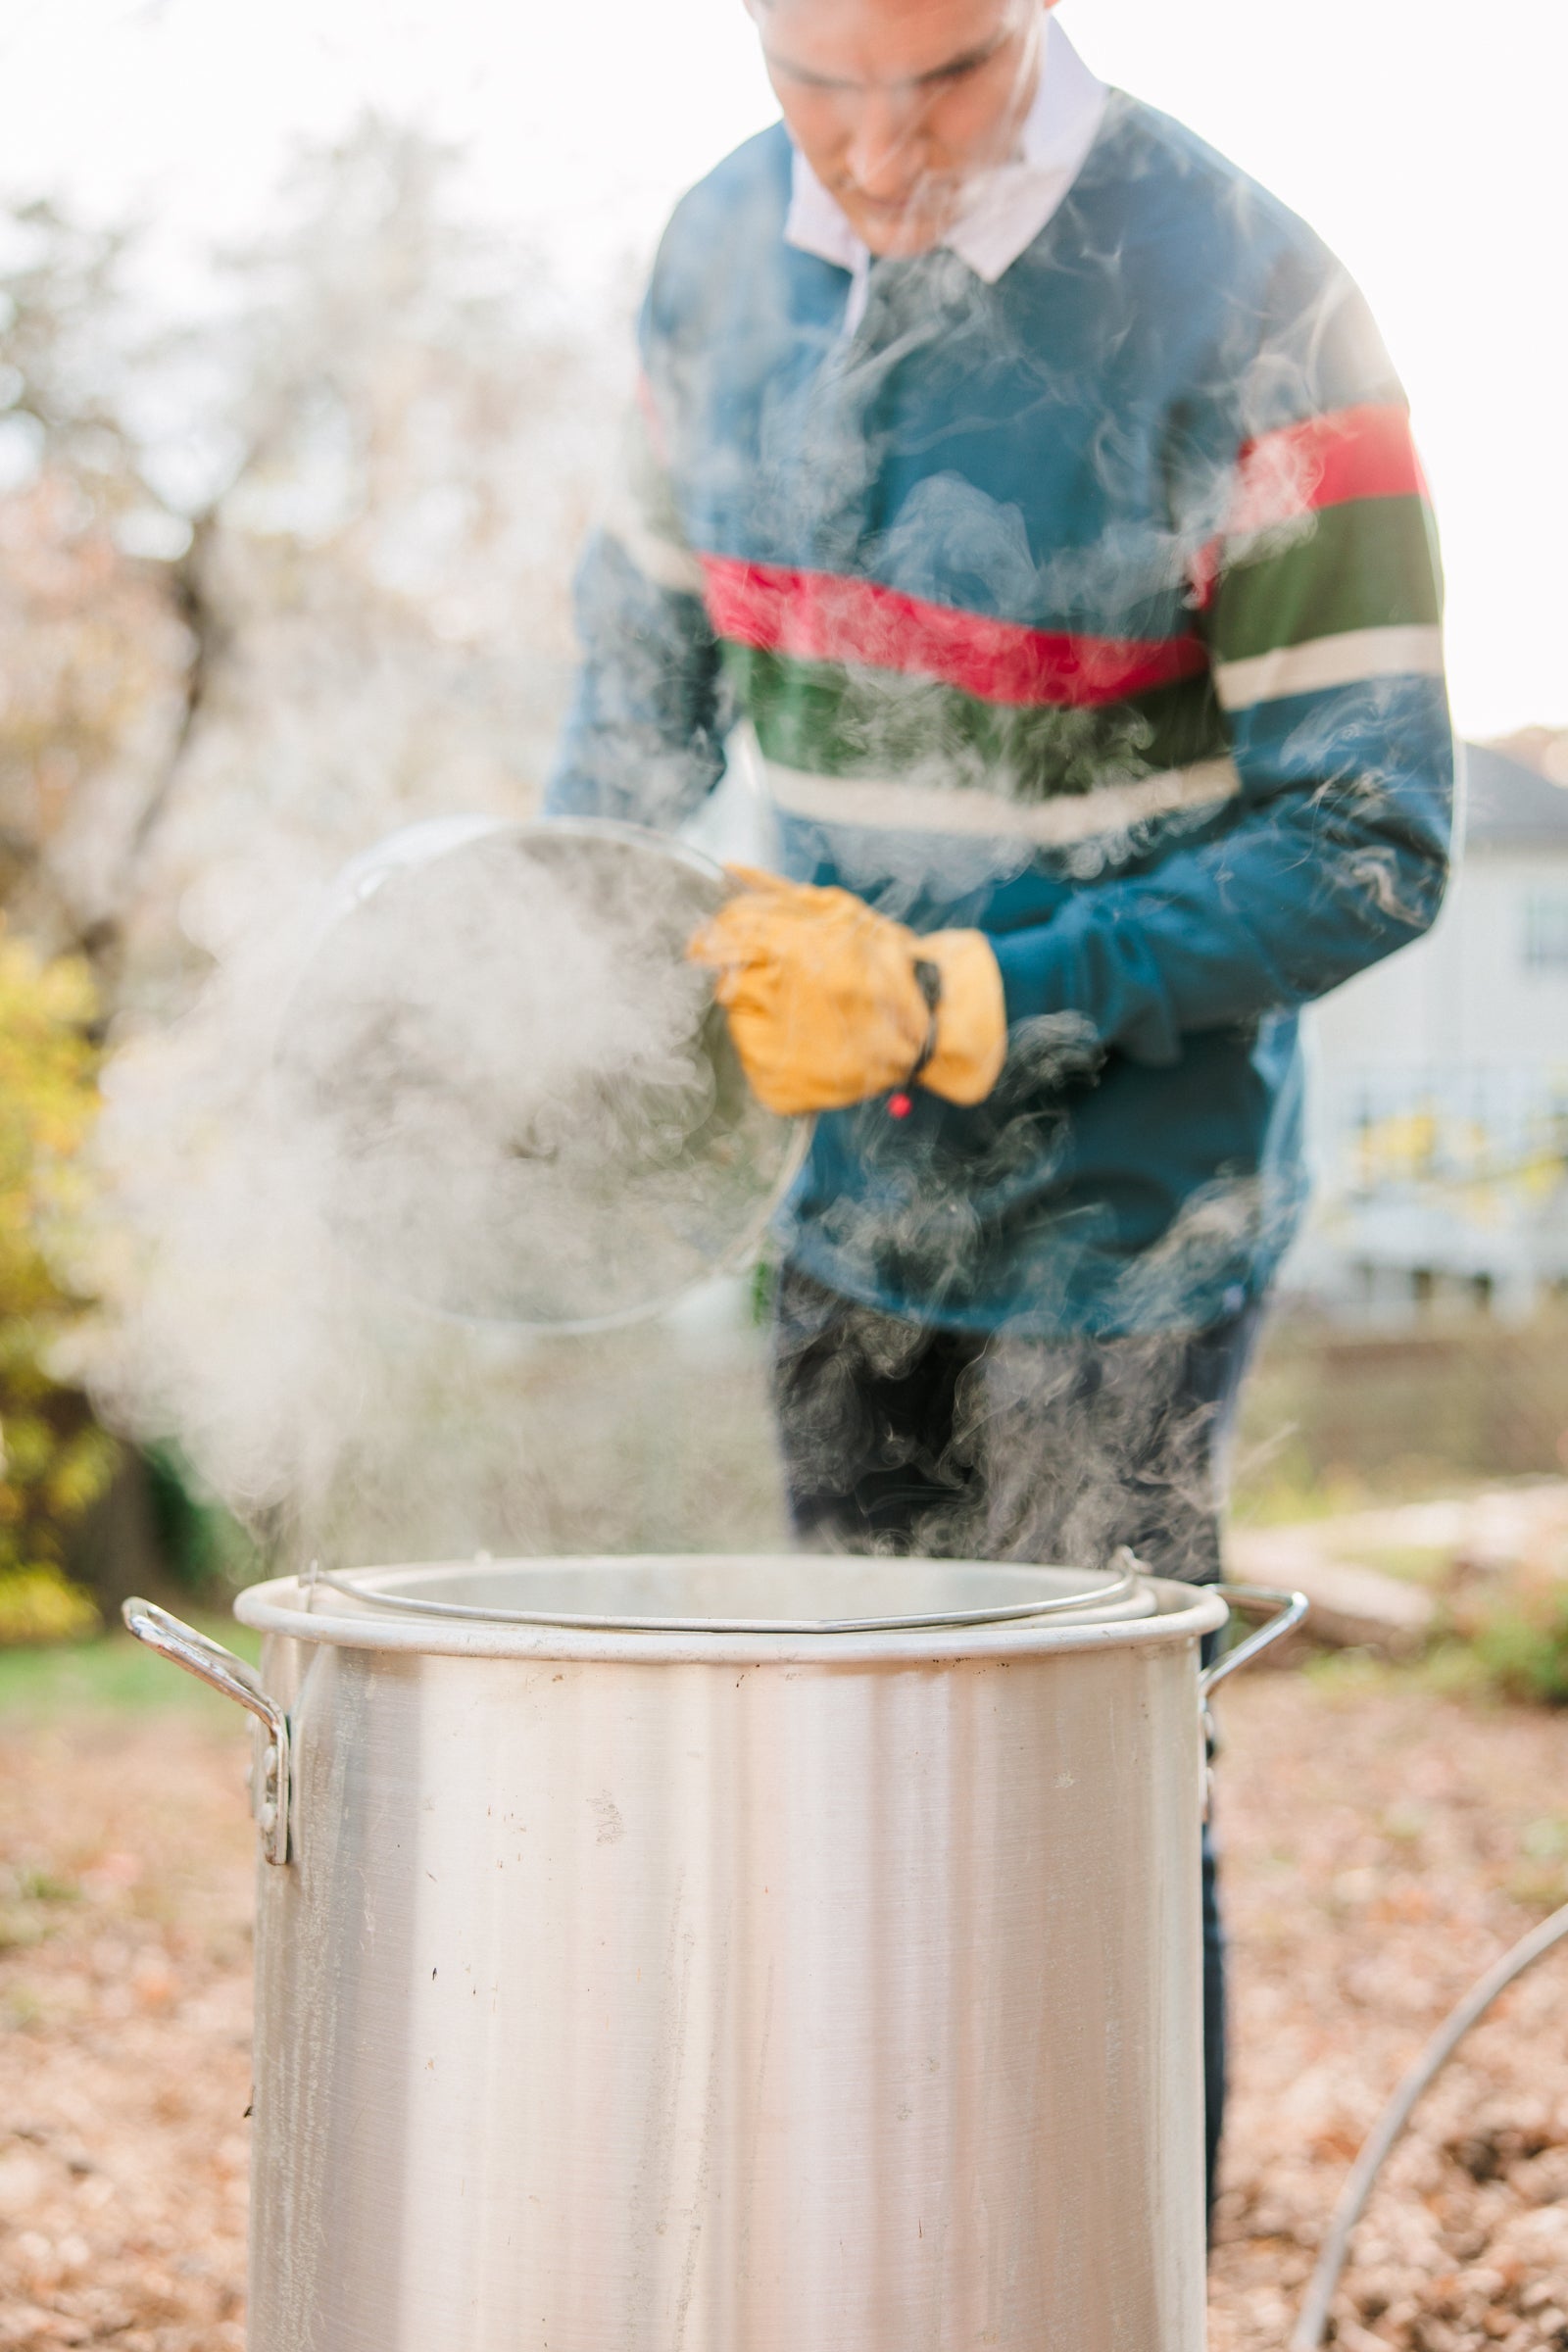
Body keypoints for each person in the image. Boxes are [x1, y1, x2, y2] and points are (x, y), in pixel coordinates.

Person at [545, 0, 1453, 2225]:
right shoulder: (702, 257)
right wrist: (562, 939)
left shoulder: (1249, 296)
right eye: (809, 84)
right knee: (853, 1763)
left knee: (1086, 1790)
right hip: (830, 1188)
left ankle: (1093, 2274)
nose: (864, 156)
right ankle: (888, 2262)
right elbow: (639, 684)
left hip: (1131, 1217)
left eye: (934, 82)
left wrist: (972, 993)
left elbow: (1369, 833)